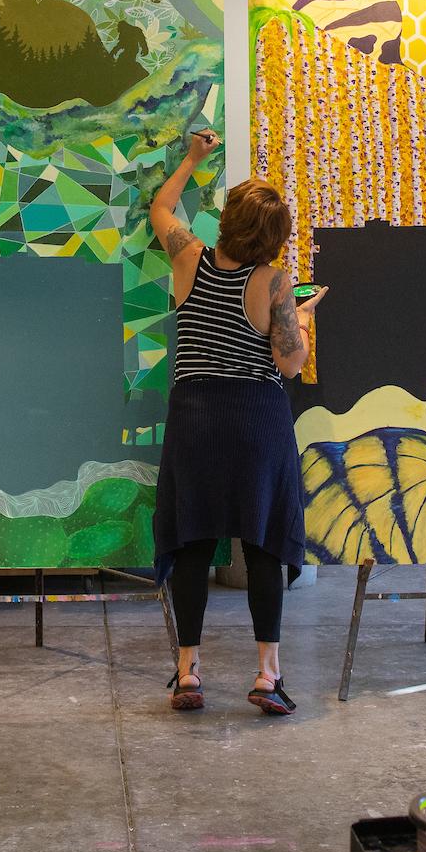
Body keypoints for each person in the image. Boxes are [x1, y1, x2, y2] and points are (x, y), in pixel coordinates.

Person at [147, 128, 322, 716]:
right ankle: (267, 676)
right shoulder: (273, 283)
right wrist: (300, 316)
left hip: (194, 417)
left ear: (228, 220)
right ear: (274, 237)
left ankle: (188, 672)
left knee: (193, 541)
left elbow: (161, 206)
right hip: (256, 421)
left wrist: (194, 158)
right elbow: (291, 363)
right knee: (265, 544)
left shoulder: (188, 258)